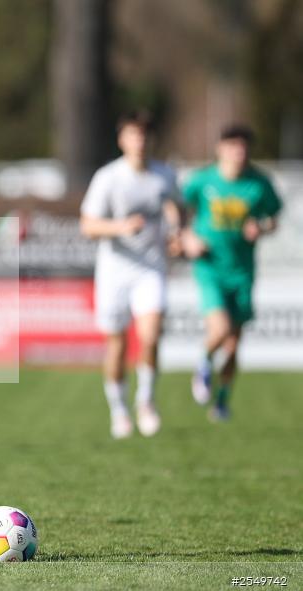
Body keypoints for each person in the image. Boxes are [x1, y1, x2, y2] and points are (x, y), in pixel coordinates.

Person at [80, 111, 182, 439]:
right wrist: (120, 227)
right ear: (122, 140)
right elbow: (88, 225)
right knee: (118, 345)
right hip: (114, 272)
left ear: (151, 140)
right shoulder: (108, 177)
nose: (139, 142)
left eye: (144, 136)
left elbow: (178, 211)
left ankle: (146, 402)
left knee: (151, 334)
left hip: (150, 268)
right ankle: (119, 410)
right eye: (132, 135)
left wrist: (178, 233)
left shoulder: (164, 176)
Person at [181, 124, 282, 421]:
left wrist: (261, 228)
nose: (239, 152)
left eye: (244, 146)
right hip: (210, 267)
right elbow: (176, 208)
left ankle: (222, 400)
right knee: (220, 329)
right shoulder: (202, 181)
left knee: (234, 344)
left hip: (242, 271)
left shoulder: (259, 184)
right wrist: (186, 236)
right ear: (220, 149)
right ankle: (202, 363)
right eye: (233, 146)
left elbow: (273, 218)